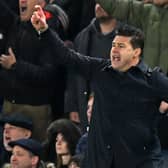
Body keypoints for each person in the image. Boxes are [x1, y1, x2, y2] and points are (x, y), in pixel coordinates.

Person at [31, 6, 168, 168]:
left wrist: (160, 118)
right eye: (113, 45)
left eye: (121, 46)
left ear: (136, 53)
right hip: (99, 162)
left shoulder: (153, 81)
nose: (114, 50)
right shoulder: (100, 70)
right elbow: (68, 57)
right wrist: (45, 31)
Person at [0, 0, 67, 142]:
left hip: (35, 110)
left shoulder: (48, 32)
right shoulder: (15, 24)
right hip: (9, 105)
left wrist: (16, 66)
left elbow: (48, 74)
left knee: (33, 157)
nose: (21, 1)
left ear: (41, 4)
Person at [65, 3, 119, 131]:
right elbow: (73, 73)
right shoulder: (82, 37)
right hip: (86, 109)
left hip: (116, 109)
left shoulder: (129, 37)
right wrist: (72, 106)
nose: (100, 5)